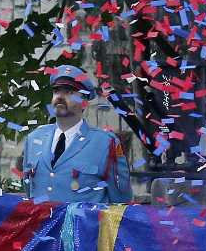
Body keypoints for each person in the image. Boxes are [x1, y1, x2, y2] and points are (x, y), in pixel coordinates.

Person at [16, 65, 130, 204]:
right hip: (41, 224)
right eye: (56, 91)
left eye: (69, 92)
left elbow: (121, 201)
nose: (60, 97)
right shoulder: (35, 138)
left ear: (84, 102)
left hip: (83, 225)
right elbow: (29, 191)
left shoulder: (105, 143)